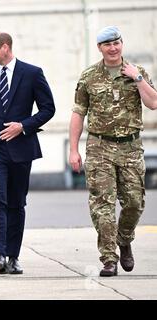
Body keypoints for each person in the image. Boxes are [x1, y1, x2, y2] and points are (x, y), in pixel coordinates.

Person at [69, 26, 156, 277]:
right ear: (100, 48)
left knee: (134, 202)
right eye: (107, 44)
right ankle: (109, 258)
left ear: (121, 43)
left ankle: (124, 238)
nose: (113, 47)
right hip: (99, 147)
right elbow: (78, 113)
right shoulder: (89, 77)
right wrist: (73, 150)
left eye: (116, 42)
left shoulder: (137, 72)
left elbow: (153, 103)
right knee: (102, 205)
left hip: (130, 148)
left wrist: (138, 78)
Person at [0, 32, 55, 275]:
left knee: (17, 203)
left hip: (21, 149)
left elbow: (48, 108)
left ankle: (13, 256)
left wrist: (23, 125)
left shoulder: (32, 73)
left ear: (5, 48)